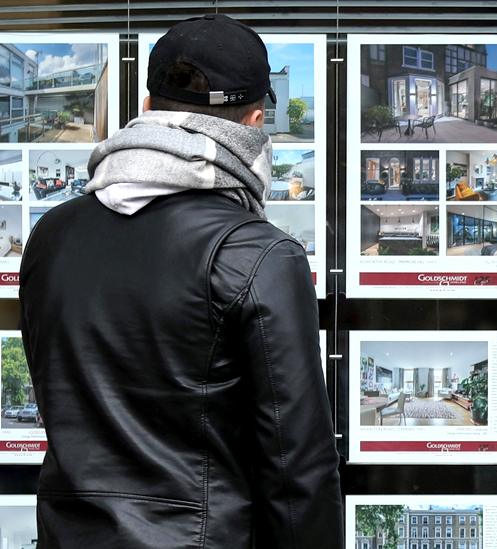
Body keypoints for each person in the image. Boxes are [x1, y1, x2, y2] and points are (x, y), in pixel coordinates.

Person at [19, 15, 343, 548]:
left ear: (147, 110)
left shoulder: (52, 235)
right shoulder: (258, 254)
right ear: (256, 122)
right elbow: (297, 467)